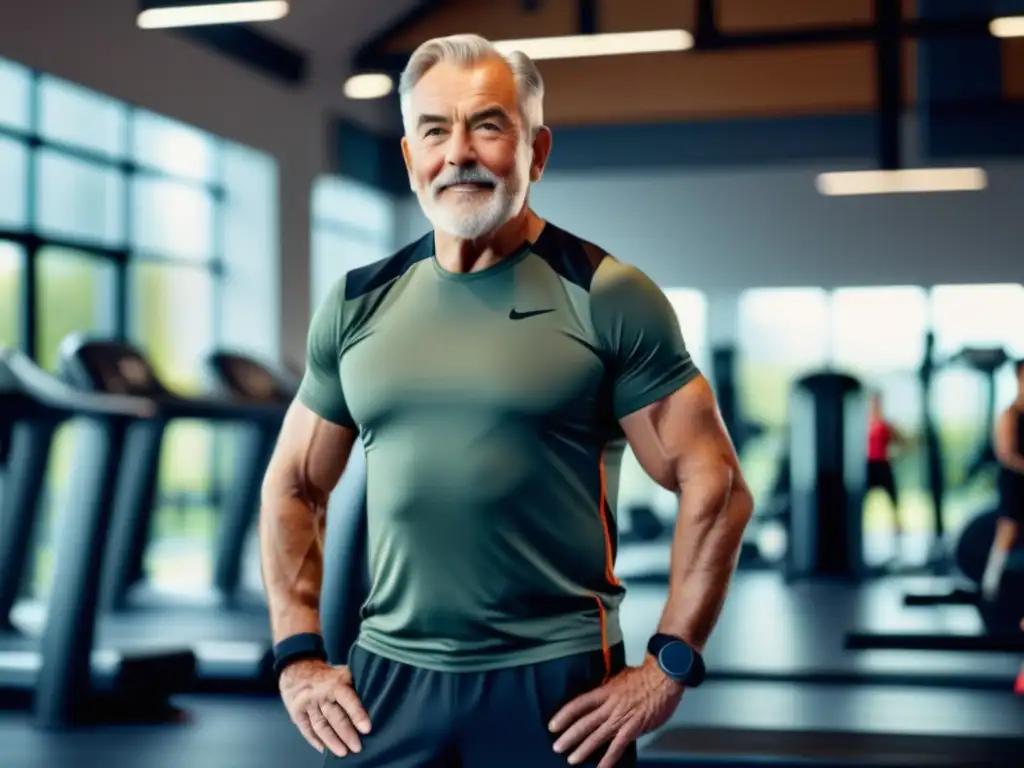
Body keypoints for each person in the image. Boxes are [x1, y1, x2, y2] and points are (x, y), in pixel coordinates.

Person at [259, 34, 753, 768]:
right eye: (434, 130)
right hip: (387, 685)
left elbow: (714, 483)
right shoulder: (357, 303)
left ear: (537, 152)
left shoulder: (607, 295)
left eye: (488, 126)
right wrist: (298, 653)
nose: (459, 152)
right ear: (409, 158)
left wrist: (667, 665)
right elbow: (296, 481)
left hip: (557, 689)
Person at [981, 358, 1024, 602]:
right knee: (1008, 531)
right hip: (1014, 481)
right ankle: (990, 588)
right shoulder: (1009, 414)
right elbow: (1006, 454)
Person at [866, 390, 907, 558]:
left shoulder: (886, 424)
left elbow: (903, 442)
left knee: (893, 499)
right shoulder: (865, 424)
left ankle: (897, 530)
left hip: (883, 465)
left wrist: (894, 454)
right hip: (868, 465)